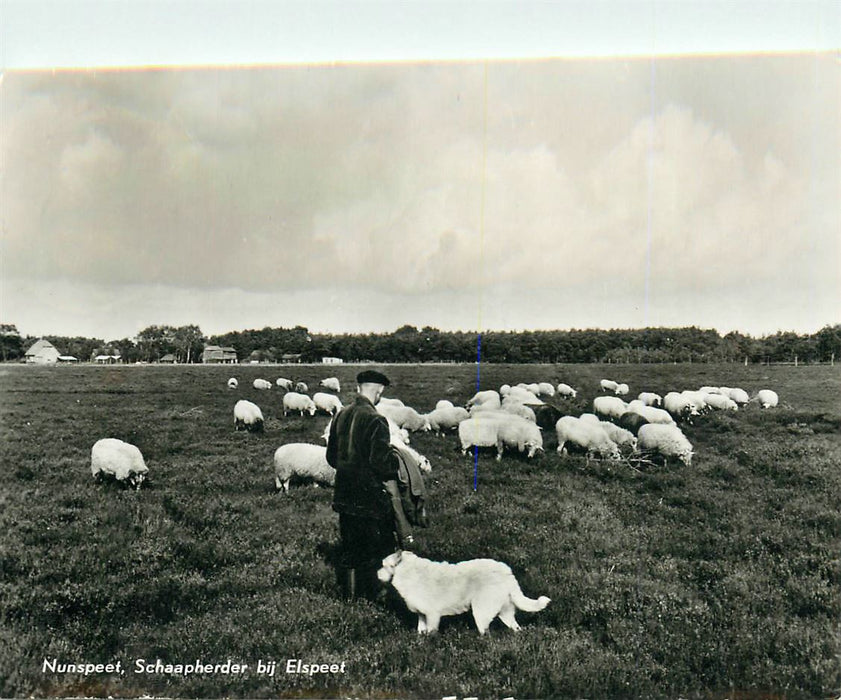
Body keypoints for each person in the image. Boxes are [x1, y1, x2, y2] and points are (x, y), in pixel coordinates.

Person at [326, 369, 414, 601]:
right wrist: (397, 459)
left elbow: (331, 458)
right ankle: (381, 595)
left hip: (344, 495)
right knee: (382, 546)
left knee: (351, 546)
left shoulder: (341, 415)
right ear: (379, 392)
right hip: (370, 496)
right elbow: (381, 464)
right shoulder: (376, 420)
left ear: (358, 388)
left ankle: (350, 599)